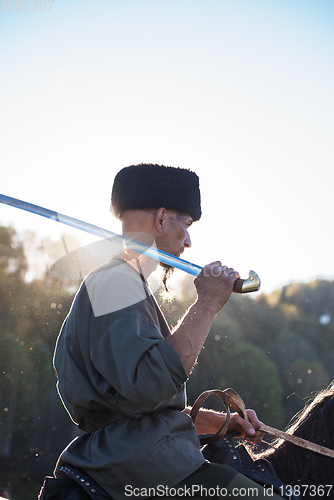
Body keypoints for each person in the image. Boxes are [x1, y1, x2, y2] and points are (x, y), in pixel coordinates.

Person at [53, 164, 279, 499]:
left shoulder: (126, 283)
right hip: (134, 461)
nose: (188, 241)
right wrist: (208, 304)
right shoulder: (115, 282)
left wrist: (223, 422)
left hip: (145, 452)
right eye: (185, 224)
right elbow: (150, 385)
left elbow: (143, 407)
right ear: (160, 219)